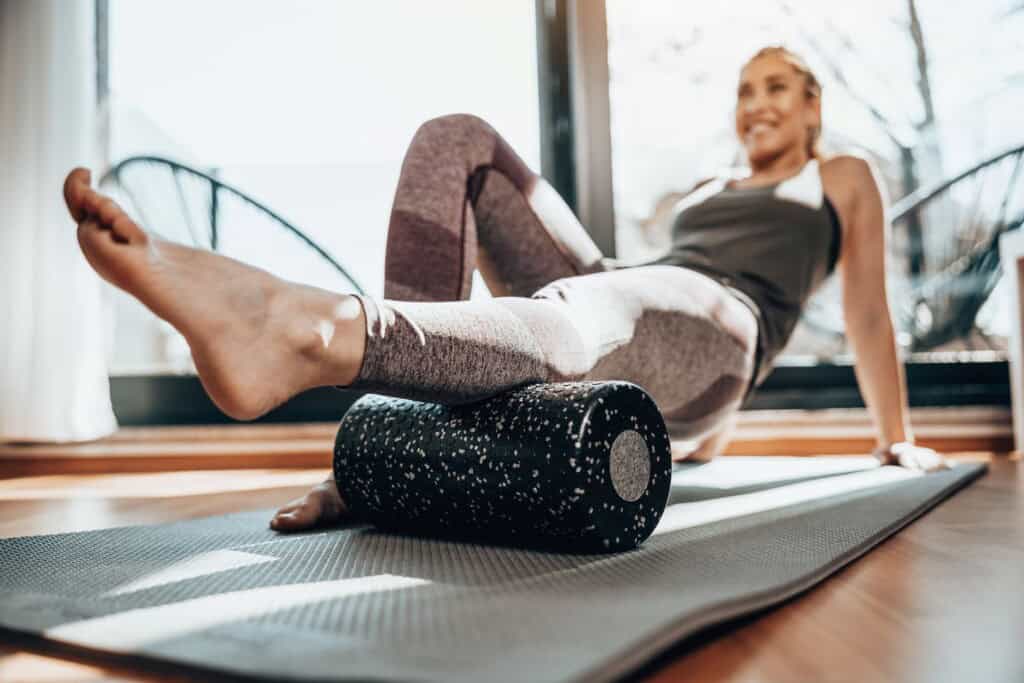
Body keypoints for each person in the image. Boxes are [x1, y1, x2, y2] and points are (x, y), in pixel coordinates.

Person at [61, 46, 948, 532]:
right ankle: (385, 446)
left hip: (724, 326)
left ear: (812, 108)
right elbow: (616, 291)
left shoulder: (841, 178)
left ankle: (312, 332)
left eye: (779, 89)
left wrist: (896, 439)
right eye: (747, 89)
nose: (758, 103)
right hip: (634, 298)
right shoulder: (708, 191)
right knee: (458, 139)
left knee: (600, 309)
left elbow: (868, 312)